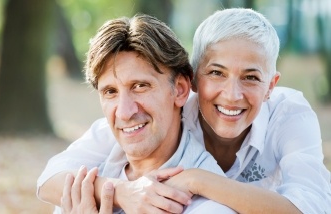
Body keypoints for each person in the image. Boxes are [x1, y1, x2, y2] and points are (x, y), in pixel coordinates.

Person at [38, 8, 331, 214]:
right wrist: (122, 192)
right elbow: (50, 178)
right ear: (192, 80)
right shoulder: (159, 115)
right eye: (216, 73)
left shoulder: (288, 115)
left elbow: (310, 207)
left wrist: (196, 180)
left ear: (271, 85)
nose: (231, 95)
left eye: (251, 77)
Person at [48, 14, 237, 214]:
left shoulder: (209, 205)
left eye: (140, 86)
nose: (124, 112)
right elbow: (47, 179)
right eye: (110, 92)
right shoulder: (87, 185)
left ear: (180, 89)